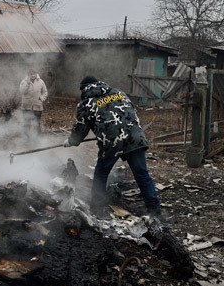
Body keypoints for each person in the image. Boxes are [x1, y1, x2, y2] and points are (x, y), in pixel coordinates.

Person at [63, 76, 162, 217]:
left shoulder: (87, 103)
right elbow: (130, 112)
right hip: (135, 137)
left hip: (112, 142)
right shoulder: (119, 93)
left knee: (101, 174)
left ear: (84, 88)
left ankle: (97, 209)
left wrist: (70, 141)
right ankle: (154, 209)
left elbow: (80, 129)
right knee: (142, 174)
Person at [18, 68, 48, 136]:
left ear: (36, 74)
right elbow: (22, 91)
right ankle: (26, 137)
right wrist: (27, 84)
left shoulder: (41, 81)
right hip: (26, 106)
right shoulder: (24, 81)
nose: (33, 75)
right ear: (28, 75)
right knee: (26, 123)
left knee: (37, 123)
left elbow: (45, 92)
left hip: (37, 105)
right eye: (31, 74)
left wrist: (41, 98)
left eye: (34, 74)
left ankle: (38, 137)